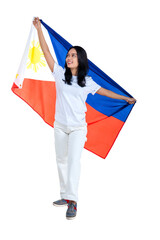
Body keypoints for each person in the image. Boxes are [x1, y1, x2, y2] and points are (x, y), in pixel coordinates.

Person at [33, 17, 136, 220]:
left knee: (73, 161)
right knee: (61, 160)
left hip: (78, 128)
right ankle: (64, 195)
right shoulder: (60, 74)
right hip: (60, 126)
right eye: (68, 55)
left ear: (80, 59)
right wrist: (39, 29)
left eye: (73, 55)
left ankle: (73, 201)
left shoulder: (87, 81)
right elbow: (46, 52)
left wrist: (125, 98)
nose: (69, 58)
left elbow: (106, 93)